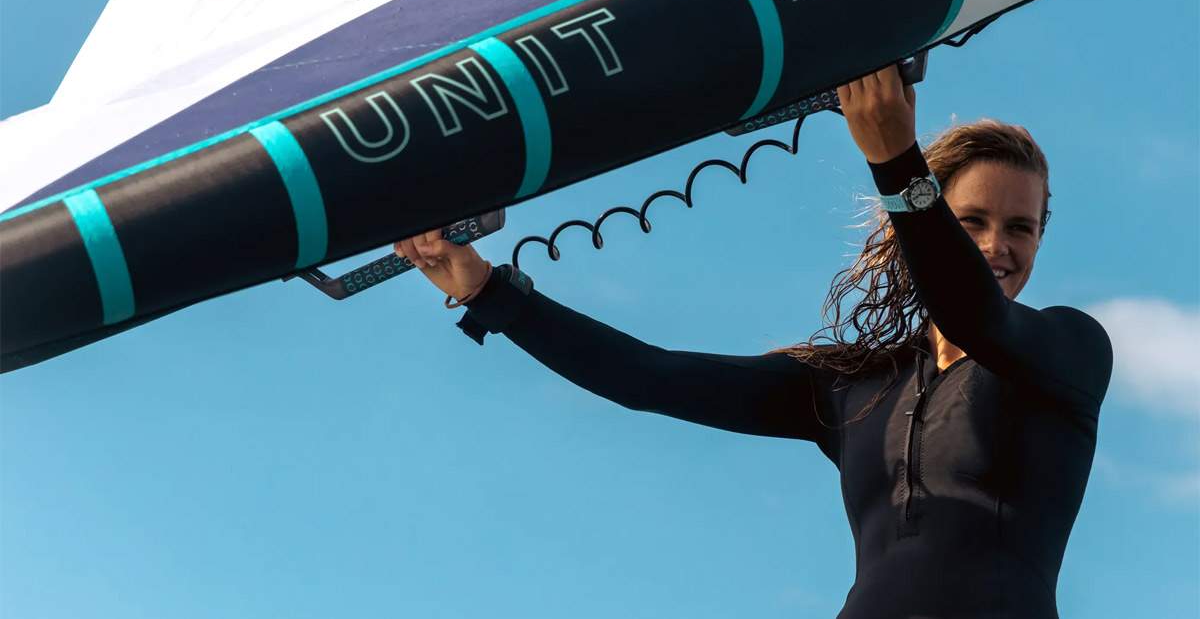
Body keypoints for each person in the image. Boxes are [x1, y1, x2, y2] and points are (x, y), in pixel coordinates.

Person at [393, 65, 1113, 618]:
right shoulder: (849, 387)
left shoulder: (1065, 353)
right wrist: (484, 288)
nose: (997, 245)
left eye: (1022, 227)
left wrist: (897, 162)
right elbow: (652, 377)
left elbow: (975, 316)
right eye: (973, 221)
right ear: (928, 225)